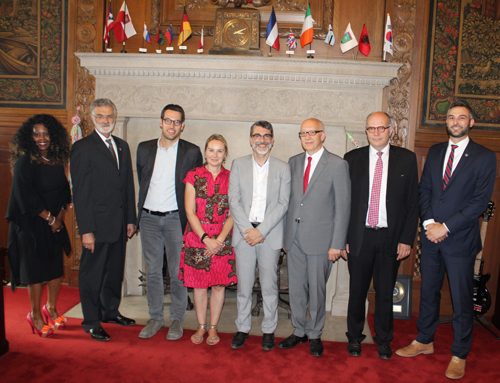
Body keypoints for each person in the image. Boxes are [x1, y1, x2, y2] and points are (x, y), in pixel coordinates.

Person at [396, 100, 497, 380]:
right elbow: (425, 189)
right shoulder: (436, 151)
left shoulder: (485, 156)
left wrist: (446, 227)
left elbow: (478, 202)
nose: (455, 122)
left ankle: (459, 353)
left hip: (460, 241)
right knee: (428, 292)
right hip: (430, 237)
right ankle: (424, 341)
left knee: (461, 299)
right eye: (451, 117)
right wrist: (429, 223)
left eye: (461, 117)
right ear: (446, 121)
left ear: (471, 122)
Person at [343, 112, 419, 360]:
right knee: (357, 291)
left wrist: (406, 239)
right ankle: (354, 337)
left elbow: (412, 203)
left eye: (381, 128)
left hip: (390, 238)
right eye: (371, 129)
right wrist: (342, 238)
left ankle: (384, 340)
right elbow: (345, 204)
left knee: (386, 292)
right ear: (366, 131)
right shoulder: (351, 159)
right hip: (359, 238)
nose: (376, 133)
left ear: (390, 130)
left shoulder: (406, 160)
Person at [278, 118, 350, 357]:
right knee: (296, 288)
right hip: (294, 238)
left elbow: (343, 207)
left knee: (318, 291)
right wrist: (285, 237)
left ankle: (315, 333)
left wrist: (337, 244)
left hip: (322, 241)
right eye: (303, 133)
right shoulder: (294, 162)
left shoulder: (337, 165)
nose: (307, 137)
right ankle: (299, 330)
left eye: (313, 132)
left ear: (323, 135)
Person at [70, 98, 137, 341]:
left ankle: (110, 311)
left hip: (119, 225)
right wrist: (86, 229)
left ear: (115, 118)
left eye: (109, 116)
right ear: (92, 118)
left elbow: (127, 185)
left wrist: (131, 219)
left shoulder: (122, 146)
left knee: (113, 272)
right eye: (100, 116)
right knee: (92, 275)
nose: (106, 120)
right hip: (96, 227)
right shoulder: (83, 148)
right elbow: (81, 193)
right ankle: (91, 321)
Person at [136, 104, 203, 340]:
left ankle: (177, 319)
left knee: (177, 273)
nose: (172, 125)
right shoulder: (144, 149)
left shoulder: (192, 152)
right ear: (160, 122)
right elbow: (142, 180)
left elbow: (197, 189)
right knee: (152, 272)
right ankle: (155, 318)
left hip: (177, 220)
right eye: (168, 120)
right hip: (148, 219)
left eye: (177, 122)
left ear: (183, 125)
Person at [7, 114, 72, 338]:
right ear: (29, 137)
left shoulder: (55, 160)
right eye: (36, 134)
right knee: (35, 272)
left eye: (46, 133)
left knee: (55, 268)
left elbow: (65, 191)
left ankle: (50, 308)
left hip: (55, 222)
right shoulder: (26, 160)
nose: (42, 138)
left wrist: (60, 217)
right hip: (32, 224)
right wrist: (51, 219)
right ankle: (35, 314)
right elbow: (25, 197)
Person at [228, 121, 291, 351]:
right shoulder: (238, 164)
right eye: (257, 135)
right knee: (244, 286)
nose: (261, 140)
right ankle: (242, 328)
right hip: (244, 233)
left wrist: (261, 231)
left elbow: (283, 203)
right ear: (250, 139)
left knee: (269, 285)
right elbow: (233, 201)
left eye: (266, 136)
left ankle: (268, 330)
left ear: (272, 140)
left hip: (270, 234)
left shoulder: (283, 168)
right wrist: (249, 230)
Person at [179, 134, 237, 346]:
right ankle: (201, 325)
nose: (215, 155)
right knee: (200, 286)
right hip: (197, 236)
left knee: (220, 286)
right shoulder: (193, 175)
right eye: (211, 150)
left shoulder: (232, 177)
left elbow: (234, 212)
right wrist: (205, 239)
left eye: (219, 150)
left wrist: (219, 239)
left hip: (222, 237)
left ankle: (213, 327)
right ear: (205, 152)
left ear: (225, 154)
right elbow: (189, 211)